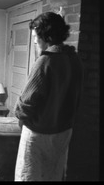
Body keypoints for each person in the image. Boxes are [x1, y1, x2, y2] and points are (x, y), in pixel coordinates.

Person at [14, 12, 84, 181]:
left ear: (46, 36)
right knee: (53, 174)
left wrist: (19, 113)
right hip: (64, 130)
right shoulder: (75, 59)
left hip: (38, 133)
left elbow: (26, 104)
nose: (35, 41)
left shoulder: (45, 61)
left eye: (35, 36)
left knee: (28, 176)